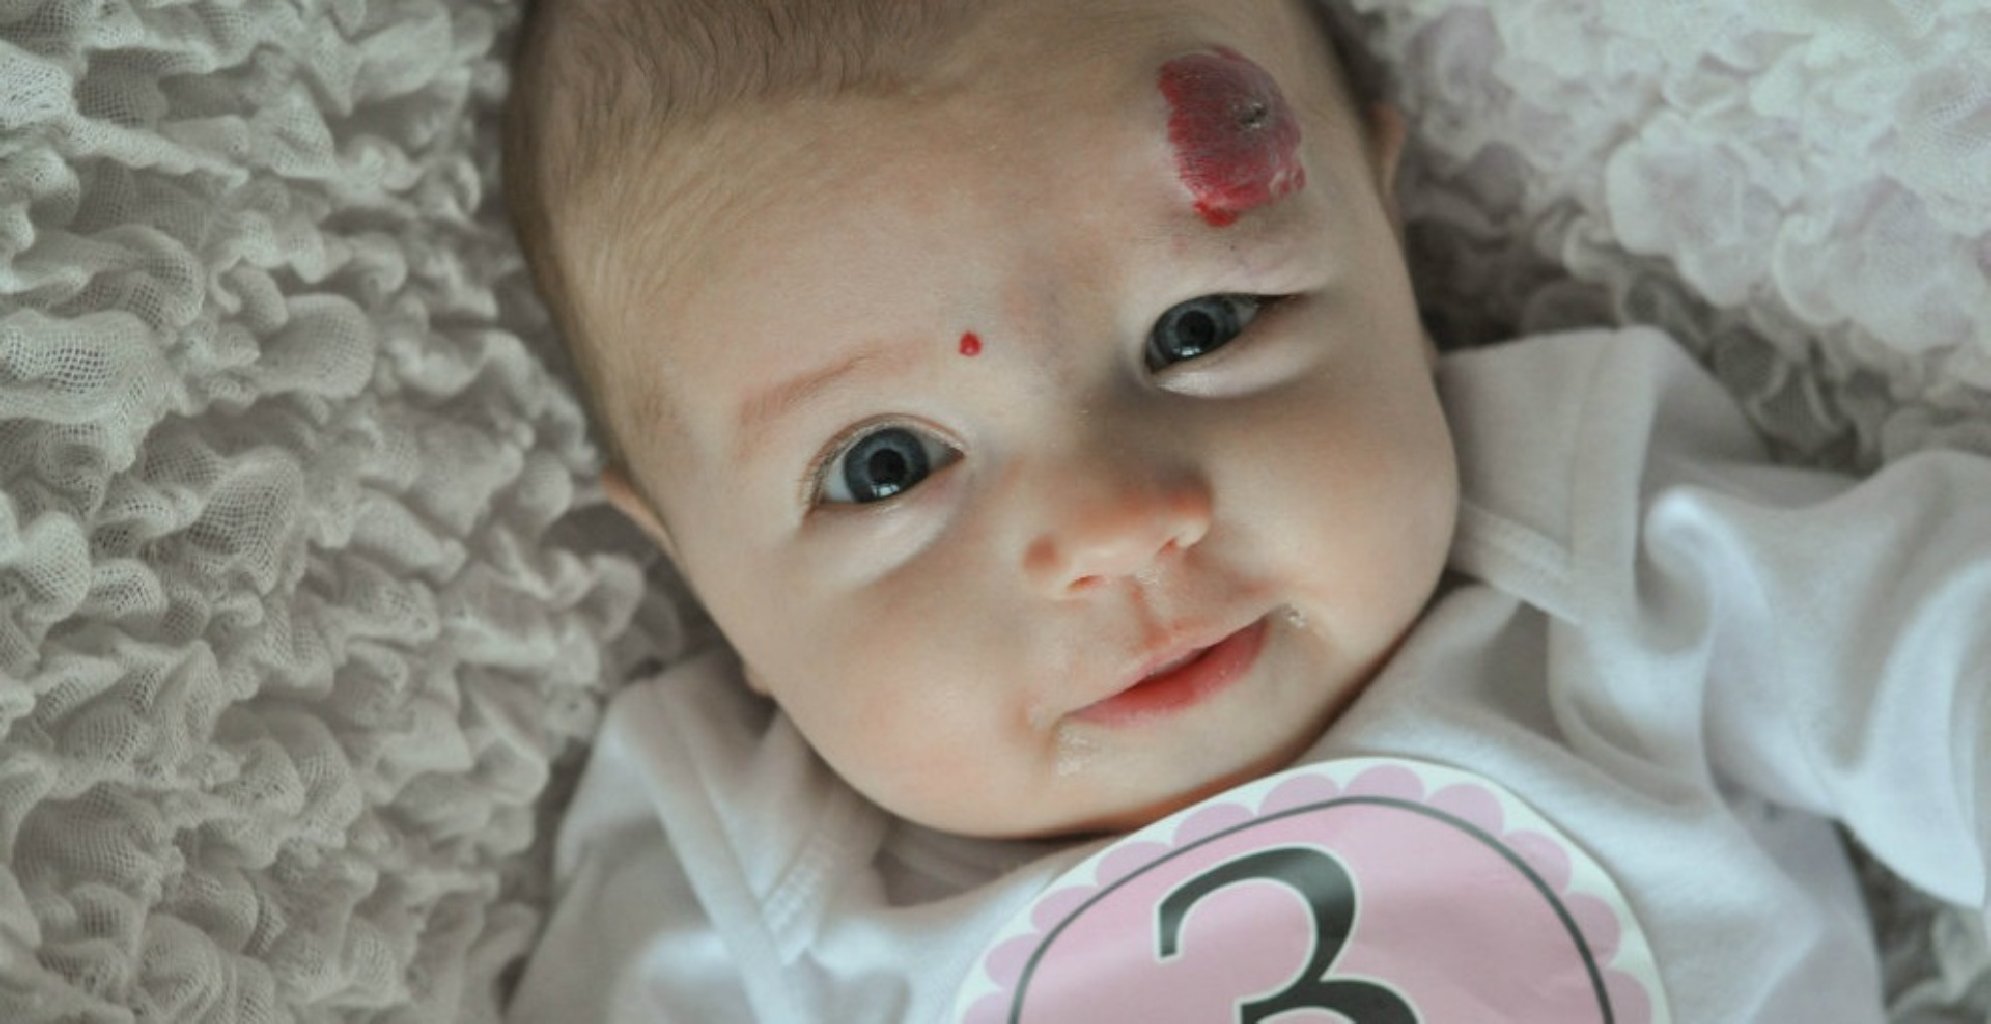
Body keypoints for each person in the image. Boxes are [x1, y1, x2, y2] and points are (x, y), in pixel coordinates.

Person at [498, 0, 1991, 1019]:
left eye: (1201, 327)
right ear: (705, 574)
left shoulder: (1586, 548)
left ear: (1390, 250)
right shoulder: (738, 875)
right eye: (887, 465)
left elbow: (1937, 659)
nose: (1115, 524)